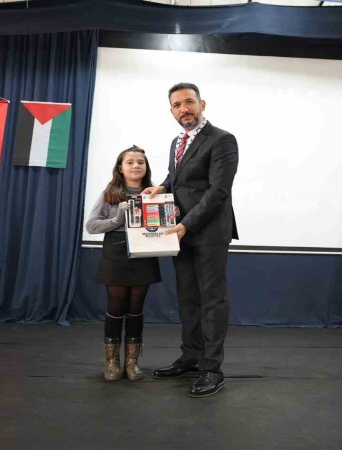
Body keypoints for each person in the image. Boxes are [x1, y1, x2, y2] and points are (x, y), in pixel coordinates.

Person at [143, 82, 238, 398]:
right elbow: (178, 177)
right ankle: (191, 357)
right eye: (177, 105)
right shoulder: (177, 142)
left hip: (208, 232)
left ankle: (212, 369)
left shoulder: (222, 139)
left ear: (202, 104)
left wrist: (186, 225)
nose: (184, 109)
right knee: (188, 299)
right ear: (171, 110)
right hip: (180, 232)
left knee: (212, 301)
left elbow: (218, 191)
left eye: (189, 102)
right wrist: (162, 186)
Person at [86, 146, 161, 381]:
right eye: (130, 162)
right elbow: (91, 226)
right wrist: (117, 219)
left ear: (146, 167)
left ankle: (131, 362)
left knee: (136, 308)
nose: (136, 166)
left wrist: (171, 215)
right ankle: (111, 362)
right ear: (120, 168)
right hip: (116, 255)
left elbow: (160, 228)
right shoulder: (109, 194)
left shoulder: (155, 194)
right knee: (116, 306)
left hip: (144, 254)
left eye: (141, 162)